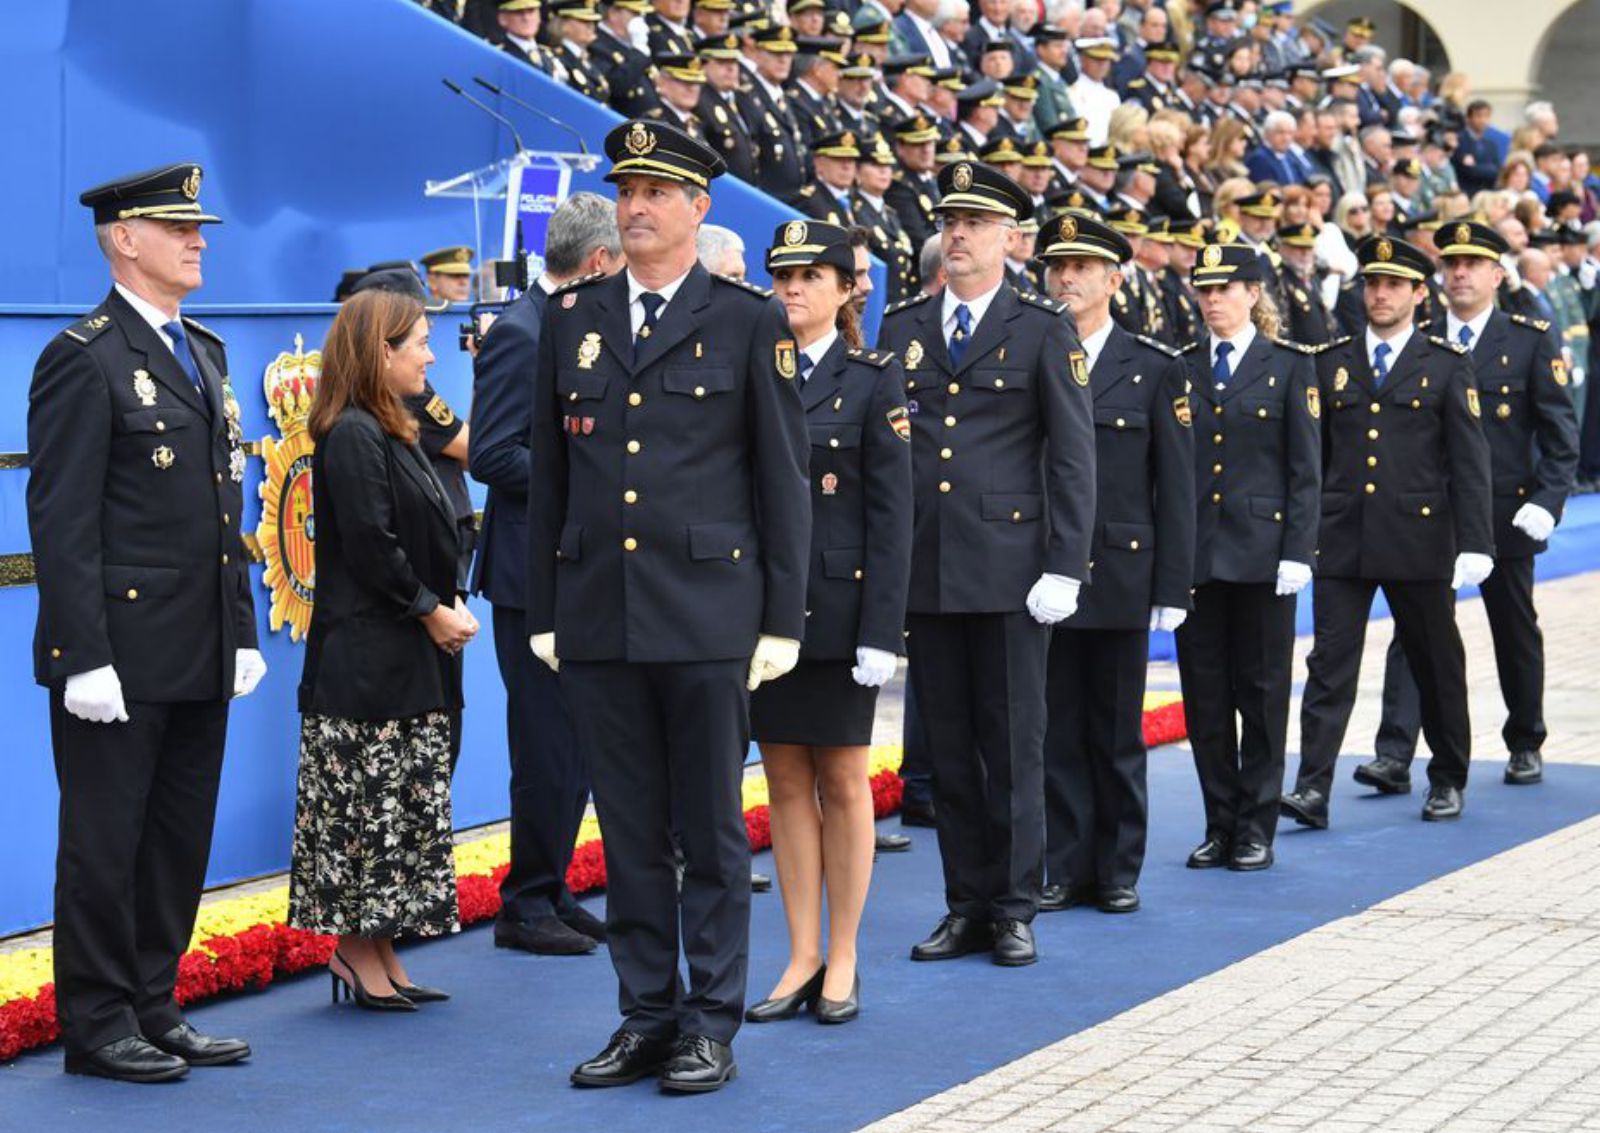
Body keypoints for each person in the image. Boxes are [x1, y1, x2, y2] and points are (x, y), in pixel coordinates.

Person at [527, 120, 809, 1093]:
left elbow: (783, 480)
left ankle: (708, 1019)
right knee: (632, 825)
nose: (637, 205)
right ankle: (646, 1011)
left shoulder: (747, 320)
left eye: (658, 190)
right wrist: (546, 605)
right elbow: (553, 475)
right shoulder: (574, 316)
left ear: (699, 207)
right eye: (627, 189)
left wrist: (780, 618)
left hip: (707, 613)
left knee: (710, 829)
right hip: (601, 613)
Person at [28, 162, 263, 1083]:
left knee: (175, 839)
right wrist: (81, 655)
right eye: (178, 227)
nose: (199, 238)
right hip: (119, 657)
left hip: (199, 644)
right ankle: (96, 1022)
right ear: (125, 239)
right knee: (105, 842)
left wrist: (239, 630)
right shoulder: (80, 357)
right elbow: (63, 520)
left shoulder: (202, 350)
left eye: (198, 226)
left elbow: (223, 510)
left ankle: (155, 1004)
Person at [877, 160, 1095, 967]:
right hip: (929, 569)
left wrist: (1064, 563)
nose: (957, 234)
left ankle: (1012, 904)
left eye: (974, 222)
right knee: (947, 752)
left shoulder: (1041, 328)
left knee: (1012, 745)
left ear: (1013, 238)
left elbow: (1073, 456)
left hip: (1011, 573)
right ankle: (963, 903)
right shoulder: (903, 326)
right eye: (949, 220)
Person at [289, 288, 477, 1010]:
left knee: (401, 805)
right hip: (366, 663)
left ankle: (381, 947)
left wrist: (442, 601)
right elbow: (371, 543)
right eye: (420, 342)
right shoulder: (352, 433)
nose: (431, 354)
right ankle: (352, 951)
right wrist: (429, 609)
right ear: (381, 351)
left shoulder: (391, 426)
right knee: (367, 812)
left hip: (405, 657)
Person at [744, 221, 912, 1026]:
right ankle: (801, 950)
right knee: (781, 781)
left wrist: (883, 629)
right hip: (766, 615)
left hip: (842, 612)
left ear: (849, 288)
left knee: (844, 780)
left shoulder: (875, 379)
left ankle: (843, 952)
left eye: (813, 275)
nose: (794, 289)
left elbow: (893, 515)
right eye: (784, 275)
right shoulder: (754, 367)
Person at [1283, 235, 1494, 828]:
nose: (1379, 294)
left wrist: (1476, 542)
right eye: (1372, 283)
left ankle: (1448, 776)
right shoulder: (1331, 361)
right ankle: (1312, 788)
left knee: (1435, 663)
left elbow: (1469, 462)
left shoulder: (1446, 364)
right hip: (1344, 537)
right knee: (1329, 667)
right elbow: (1312, 461)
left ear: (1418, 294)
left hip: (1419, 540)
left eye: (1393, 285)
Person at [1362, 221, 1579, 792]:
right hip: (1430, 515)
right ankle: (1395, 751)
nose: (1459, 273)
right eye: (1451, 264)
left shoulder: (1529, 340)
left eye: (1473, 264)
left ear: (1497, 274)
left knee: (1512, 626)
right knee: (1413, 636)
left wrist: (1548, 501)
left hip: (1505, 511)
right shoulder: (1421, 340)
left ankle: (1525, 739)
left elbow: (1561, 436)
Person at [469, 193, 621, 956]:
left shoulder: (569, 327)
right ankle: (524, 900)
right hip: (528, 573)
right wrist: (583, 478)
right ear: (598, 262)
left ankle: (553, 883)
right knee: (545, 744)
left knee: (582, 743)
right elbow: (493, 454)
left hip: (575, 568)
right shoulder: (520, 332)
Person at [1035, 211, 1194, 915]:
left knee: (1117, 729)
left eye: (1082, 268)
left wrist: (1173, 582)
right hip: (1047, 571)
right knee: (1058, 727)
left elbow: (1177, 483)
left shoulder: (1154, 365)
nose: (1066, 279)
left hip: (1124, 570)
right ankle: (1066, 864)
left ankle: (1119, 866)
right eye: (1057, 267)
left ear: (1114, 279)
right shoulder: (1033, 352)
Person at [1176, 239, 1321, 873]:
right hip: (1199, 558)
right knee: (1205, 699)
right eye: (1204, 290)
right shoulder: (1179, 366)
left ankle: (1256, 824)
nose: (1212, 301)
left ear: (1253, 293)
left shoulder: (1289, 365)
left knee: (1261, 698)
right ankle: (1219, 822)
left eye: (1225, 289)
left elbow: (1306, 469)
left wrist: (1298, 550)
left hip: (1264, 556)